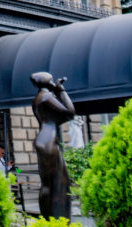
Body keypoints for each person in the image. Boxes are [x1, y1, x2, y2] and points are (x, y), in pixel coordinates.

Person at [32, 71, 75, 219]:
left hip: (45, 140)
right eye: (51, 80)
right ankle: (57, 218)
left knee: (54, 182)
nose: (53, 82)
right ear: (47, 82)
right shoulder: (46, 96)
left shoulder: (41, 98)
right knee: (56, 183)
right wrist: (61, 91)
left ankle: (54, 218)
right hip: (48, 142)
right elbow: (70, 112)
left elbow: (59, 118)